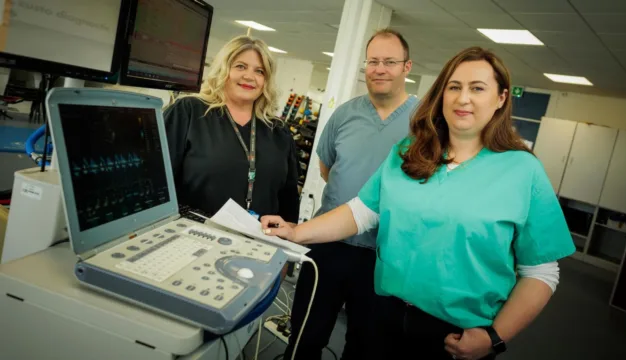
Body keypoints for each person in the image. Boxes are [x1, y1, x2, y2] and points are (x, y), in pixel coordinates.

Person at [261, 46, 576, 360]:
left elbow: (541, 272)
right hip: (381, 313)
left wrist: (494, 337)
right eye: (454, 87)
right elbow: (362, 212)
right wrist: (297, 232)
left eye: (477, 88)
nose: (463, 98)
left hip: (456, 335)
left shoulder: (522, 171)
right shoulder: (411, 151)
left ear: (501, 98)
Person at [282, 29, 418, 360]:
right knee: (304, 338)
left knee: (365, 347)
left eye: (389, 61)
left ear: (407, 67)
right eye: (373, 61)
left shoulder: (425, 122)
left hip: (384, 255)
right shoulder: (345, 114)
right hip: (328, 247)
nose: (379, 69)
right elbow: (327, 169)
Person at [163, 35, 299, 224]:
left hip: (259, 243)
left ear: (266, 81)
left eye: (259, 71)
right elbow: (158, 182)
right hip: (192, 235)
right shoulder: (188, 112)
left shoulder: (279, 132)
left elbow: (289, 202)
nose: (249, 77)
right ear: (222, 70)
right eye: (240, 66)